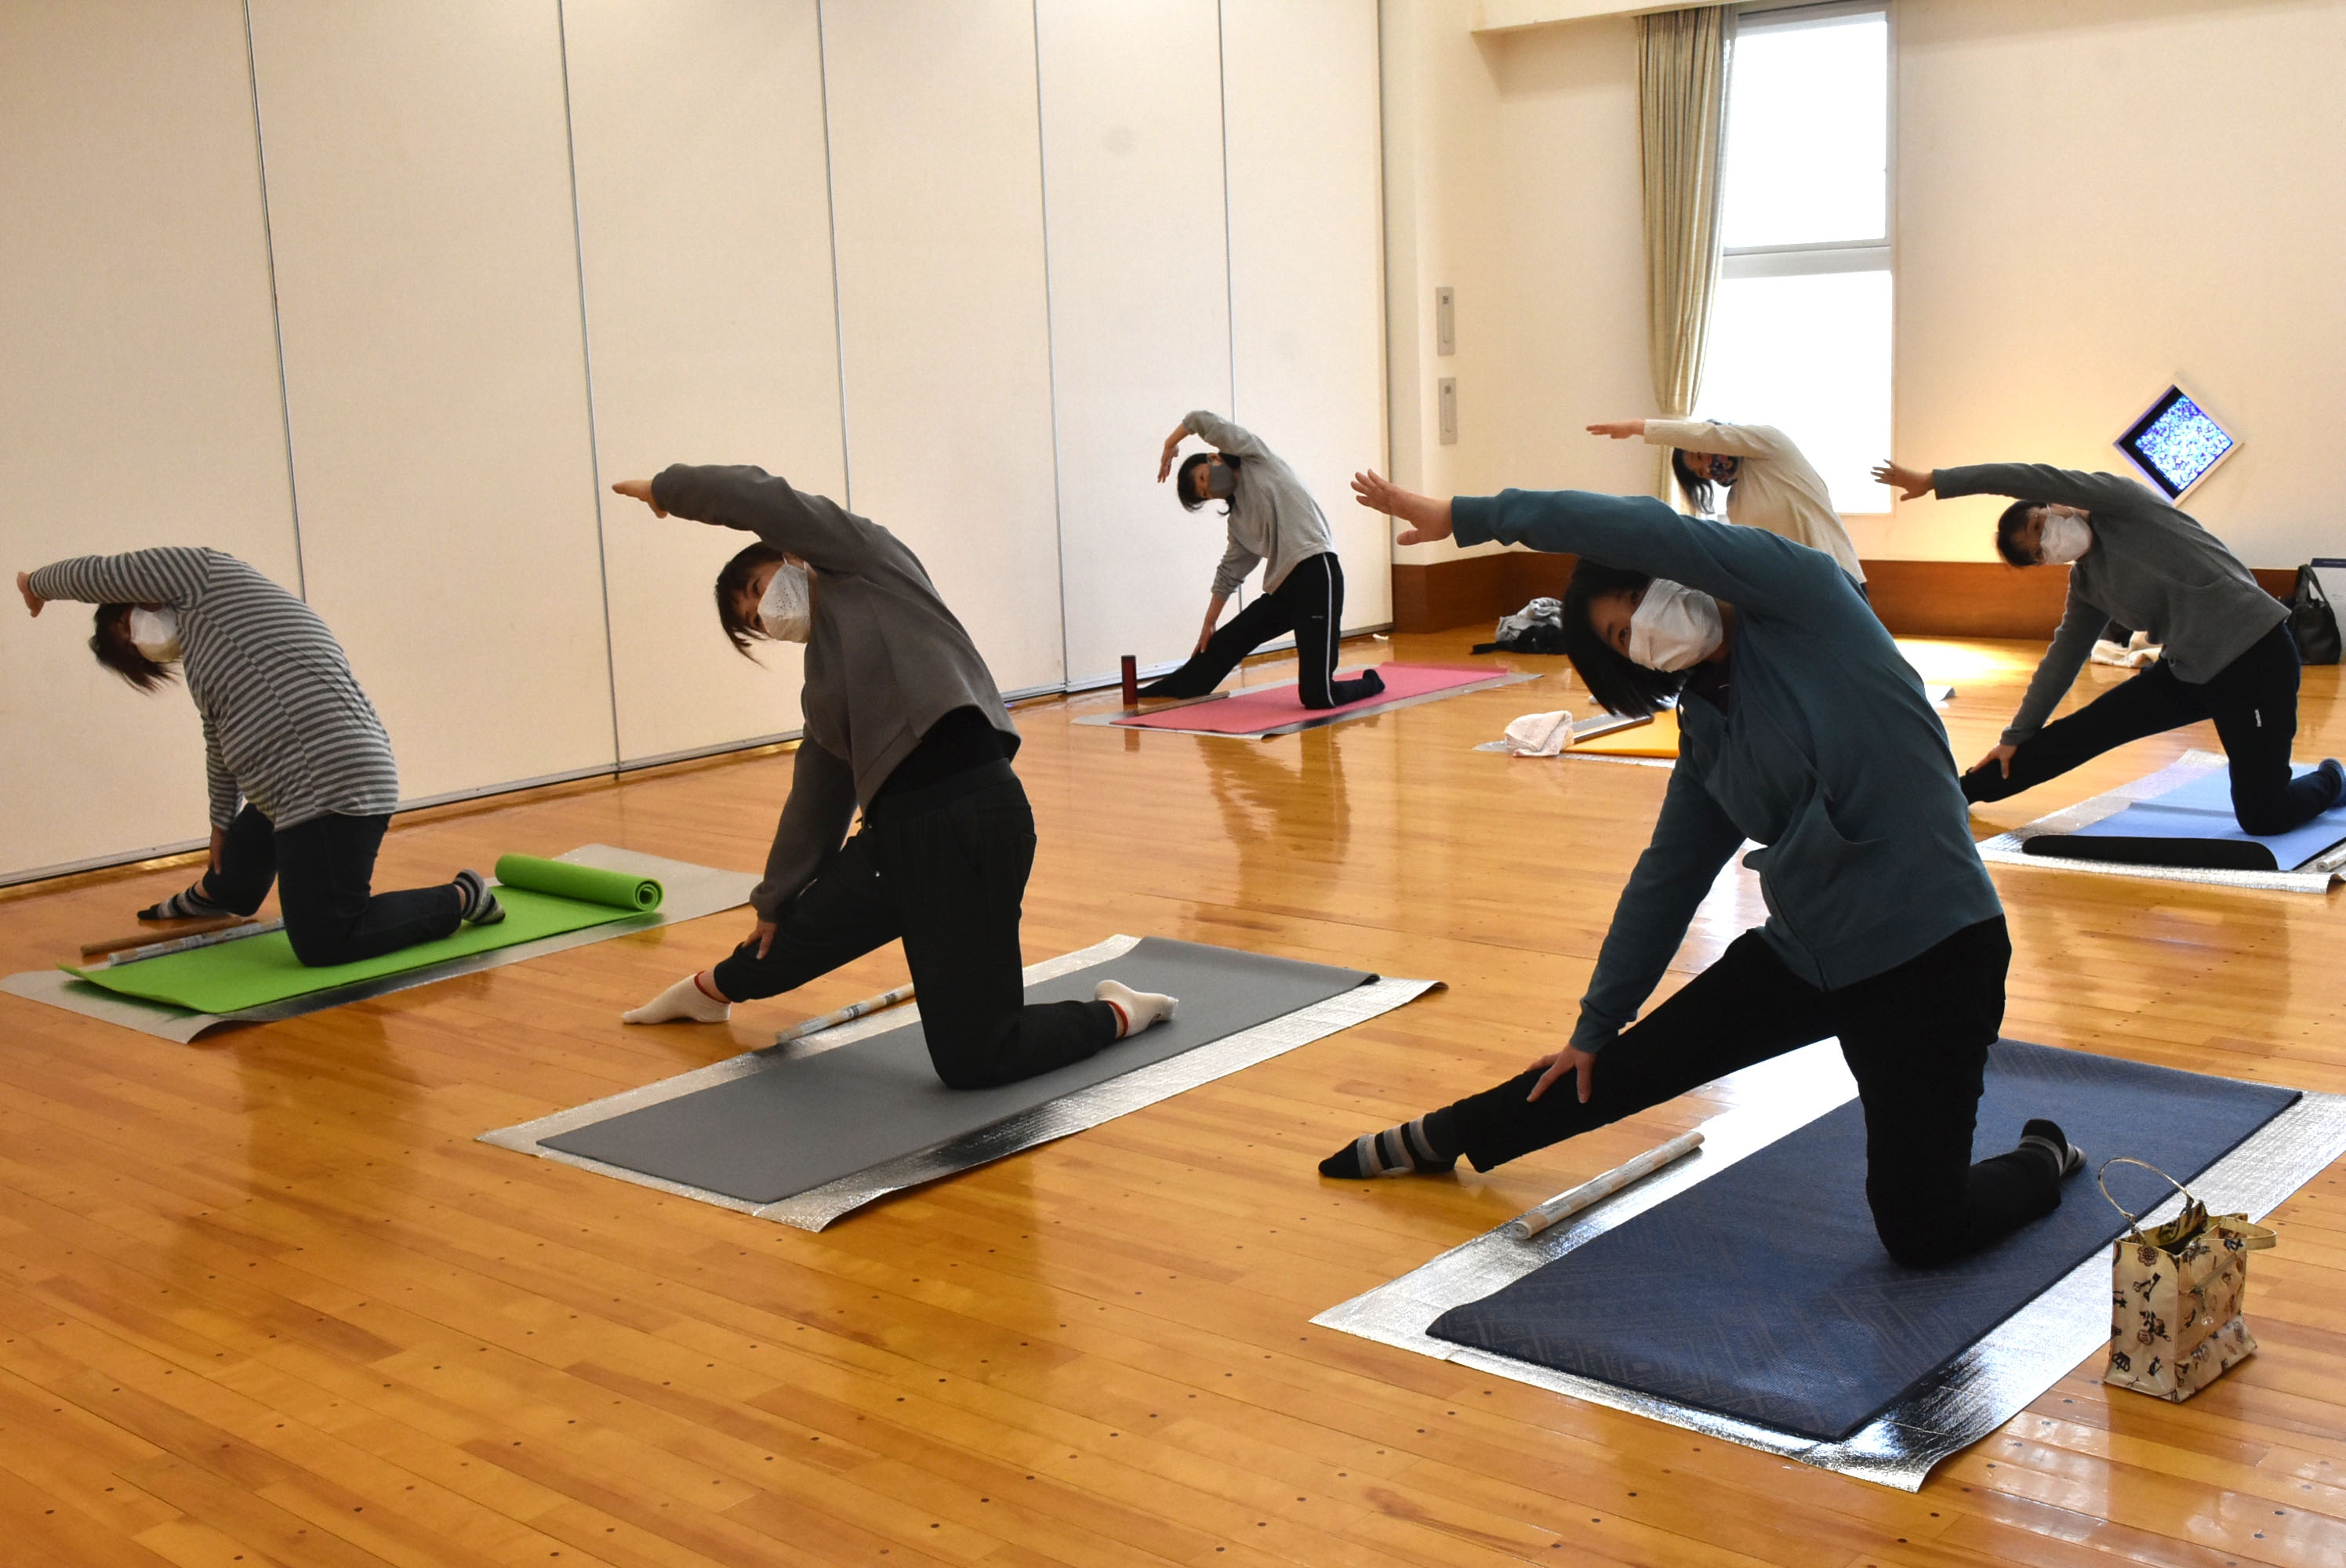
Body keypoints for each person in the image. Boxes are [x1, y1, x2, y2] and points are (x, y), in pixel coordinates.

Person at [1323, 470, 2084, 1269]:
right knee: (1608, 1067)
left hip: (1930, 958)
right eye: (1622, 644)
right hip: (1805, 956)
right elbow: (1666, 879)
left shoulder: (1806, 605)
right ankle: (1446, 1134)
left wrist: (1468, 512)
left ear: (1667, 575)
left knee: (1922, 1230)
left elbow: (1651, 526)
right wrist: (1594, 1023)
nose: (1643, 639)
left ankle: (2042, 1156)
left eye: (1631, 617)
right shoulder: (1706, 733)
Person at [606, 466, 1177, 1091]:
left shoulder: (865, 562)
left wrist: (667, 491)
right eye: (753, 618)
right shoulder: (822, 687)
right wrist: (773, 901)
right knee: (786, 940)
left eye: (758, 587)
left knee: (975, 1059)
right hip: (894, 842)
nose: (765, 613)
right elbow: (817, 796)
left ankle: (1117, 1013)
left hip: (971, 821)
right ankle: (707, 992)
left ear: (792, 554)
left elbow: (759, 497)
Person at [14, 550, 504, 965]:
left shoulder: (202, 577)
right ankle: (222, 893)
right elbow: (218, 742)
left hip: (329, 782)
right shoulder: (212, 652)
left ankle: (462, 896)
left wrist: (36, 585)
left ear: (141, 594)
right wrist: (219, 824)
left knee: (325, 938)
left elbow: (101, 572)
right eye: (134, 651)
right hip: (295, 789)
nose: (141, 641)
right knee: (254, 828)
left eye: (126, 628)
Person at [1872, 458, 2345, 833]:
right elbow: (2061, 660)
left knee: (2265, 817)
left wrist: (1937, 480)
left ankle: (2333, 779)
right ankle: (1955, 793)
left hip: (2255, 659)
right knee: (2081, 732)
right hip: (2189, 671)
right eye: (2037, 553)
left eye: (2039, 526)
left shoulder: (2123, 506)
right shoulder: (2086, 585)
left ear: (2054, 505)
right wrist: (2013, 737)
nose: (2045, 543)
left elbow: (2025, 474)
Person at [1139, 412, 1385, 708]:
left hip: (1318, 575)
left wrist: (1171, 441)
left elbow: (1201, 420)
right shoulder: (1239, 522)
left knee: (1319, 696)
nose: (1211, 489)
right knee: (1224, 642)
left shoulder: (1255, 457)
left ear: (1214, 458)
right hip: (1284, 589)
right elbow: (1229, 574)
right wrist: (1209, 622)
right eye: (1205, 494)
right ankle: (1172, 689)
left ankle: (1372, 682)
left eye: (1205, 478)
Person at [1589, 417, 1865, 587]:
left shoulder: (1771, 446)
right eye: (1700, 473)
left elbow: (1708, 435)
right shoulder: (1735, 503)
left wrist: (1639, 428)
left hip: (1840, 579)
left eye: (1699, 455)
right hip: (1798, 590)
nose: (1707, 468)